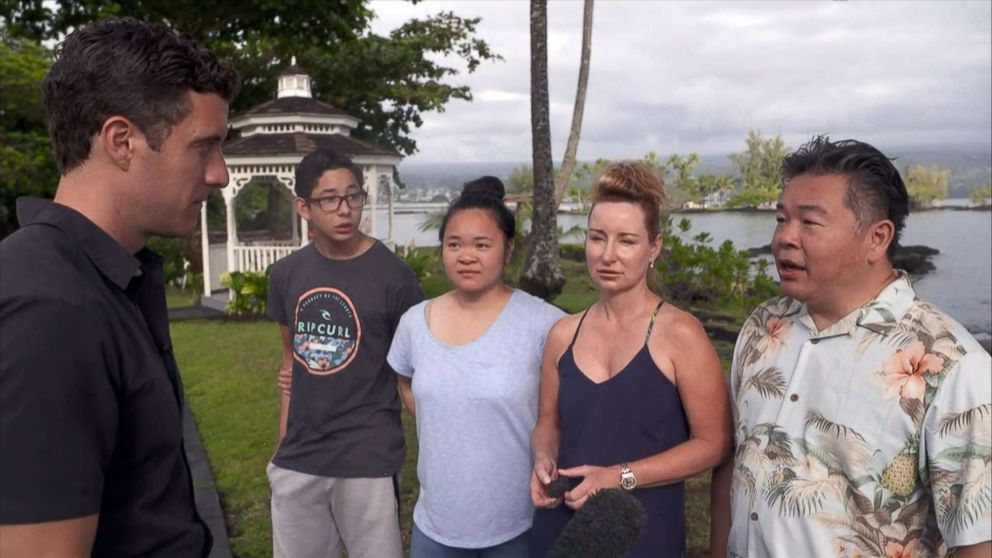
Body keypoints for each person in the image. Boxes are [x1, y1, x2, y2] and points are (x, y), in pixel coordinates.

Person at [0, 18, 238, 557]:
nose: (220, 174)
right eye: (204, 147)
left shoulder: (108, 277)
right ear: (122, 142)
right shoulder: (49, 309)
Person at [709, 136, 992, 558]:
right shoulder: (761, 328)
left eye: (809, 222)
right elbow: (735, 466)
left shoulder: (951, 365)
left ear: (876, 238)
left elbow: (976, 540)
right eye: (781, 219)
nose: (785, 238)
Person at [530, 161, 732, 557]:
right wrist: (543, 458)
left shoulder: (680, 334)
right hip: (563, 527)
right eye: (596, 237)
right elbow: (548, 422)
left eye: (626, 240)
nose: (607, 255)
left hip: (643, 530)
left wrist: (617, 477)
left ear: (653, 247)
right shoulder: (562, 334)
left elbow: (714, 444)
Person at [387, 176, 565, 557]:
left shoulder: (544, 324)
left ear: (509, 248)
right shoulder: (414, 323)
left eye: (482, 245)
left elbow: (567, 405)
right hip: (435, 527)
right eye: (454, 244)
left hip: (516, 526)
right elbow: (405, 380)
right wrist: (448, 413)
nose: (466, 256)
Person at [267, 147, 423, 558]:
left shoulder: (396, 278)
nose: (345, 210)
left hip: (367, 459)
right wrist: (283, 447)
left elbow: (411, 375)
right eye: (330, 199)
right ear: (304, 207)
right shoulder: (285, 276)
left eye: (354, 196)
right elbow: (291, 363)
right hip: (299, 459)